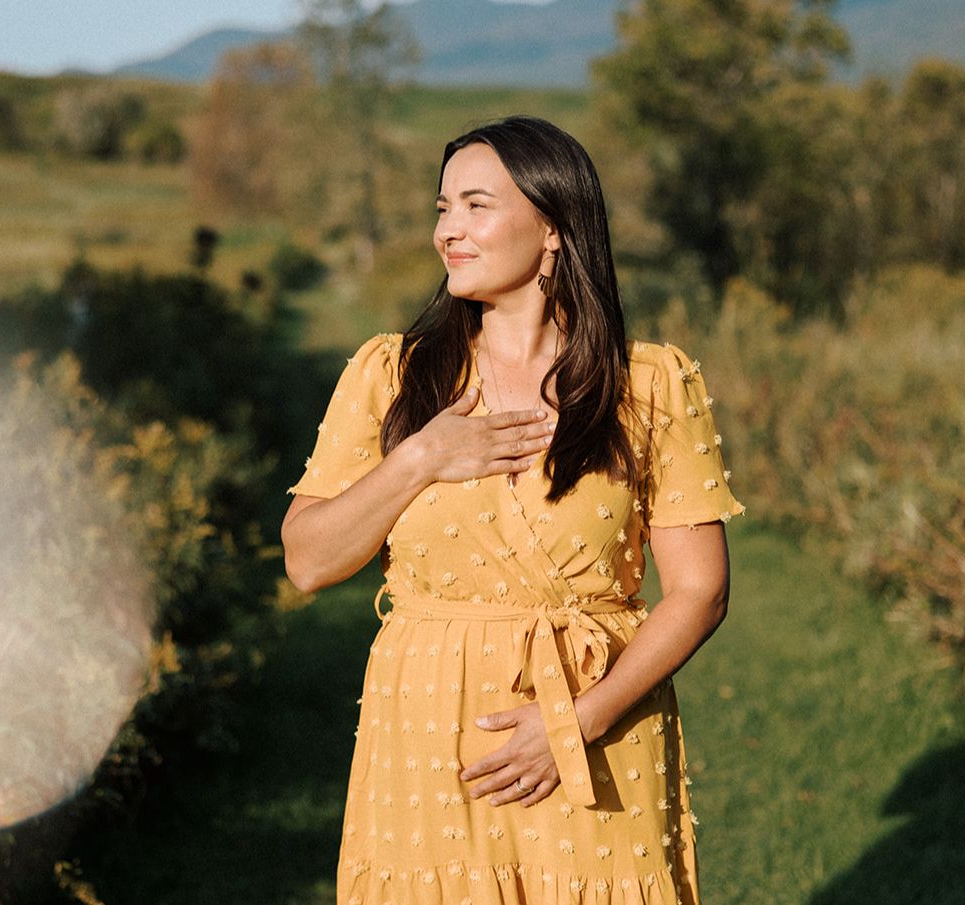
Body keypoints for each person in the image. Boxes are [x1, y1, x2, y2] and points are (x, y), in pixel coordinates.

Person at [280, 115, 743, 905]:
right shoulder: (389, 375)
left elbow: (700, 590)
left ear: (554, 226)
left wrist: (578, 723)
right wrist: (420, 457)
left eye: (475, 206)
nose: (447, 231)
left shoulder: (651, 384)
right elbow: (308, 561)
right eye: (442, 208)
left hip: (601, 736)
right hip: (431, 739)